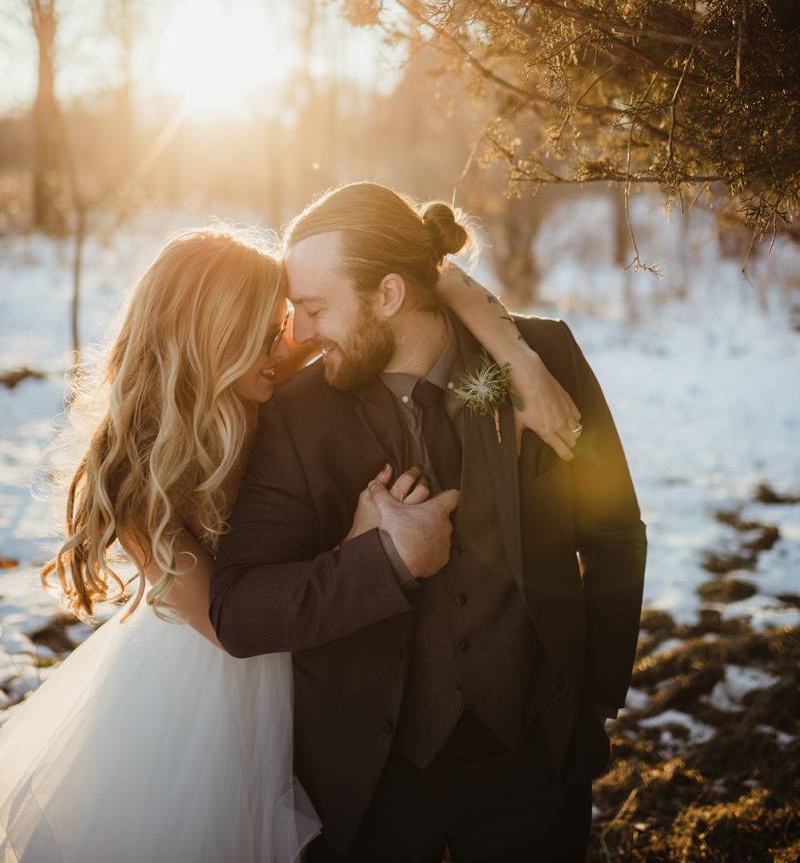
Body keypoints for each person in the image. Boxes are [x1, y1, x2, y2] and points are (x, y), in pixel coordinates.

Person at [0, 219, 577, 863]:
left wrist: (519, 358)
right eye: (269, 334)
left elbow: (420, 267)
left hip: (321, 667)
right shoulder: (143, 484)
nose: (294, 343)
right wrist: (360, 547)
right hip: (212, 706)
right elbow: (230, 628)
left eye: (288, 324)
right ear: (211, 342)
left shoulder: (265, 366)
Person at [211, 184, 648, 863]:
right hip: (369, 783)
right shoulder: (293, 417)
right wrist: (379, 564)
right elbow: (240, 608)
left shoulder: (542, 359)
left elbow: (615, 532)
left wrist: (590, 696)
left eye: (315, 308)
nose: (296, 334)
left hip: (536, 760)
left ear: (388, 295)